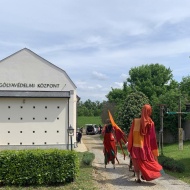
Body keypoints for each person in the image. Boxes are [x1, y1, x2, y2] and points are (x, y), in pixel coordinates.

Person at [127, 104, 164, 183]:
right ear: (149, 111)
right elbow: (153, 138)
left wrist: (129, 146)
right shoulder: (151, 123)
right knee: (149, 162)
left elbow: (131, 135)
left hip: (136, 147)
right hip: (146, 148)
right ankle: (157, 173)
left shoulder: (135, 121)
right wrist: (154, 151)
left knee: (137, 163)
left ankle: (138, 178)